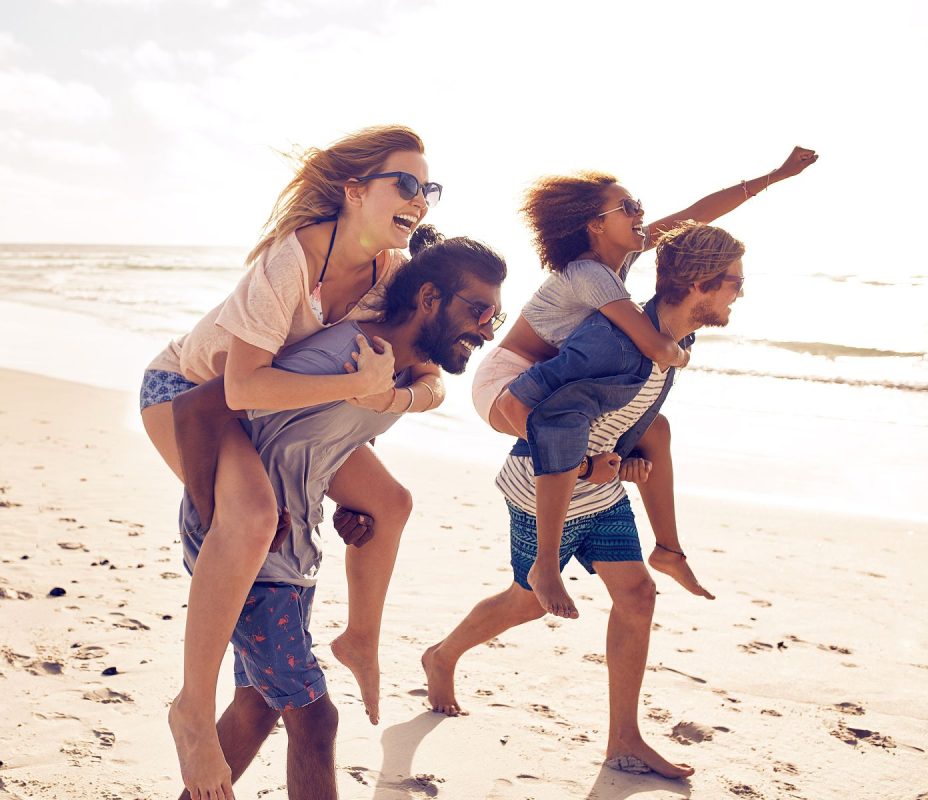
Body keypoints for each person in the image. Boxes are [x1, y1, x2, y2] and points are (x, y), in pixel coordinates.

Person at [139, 125, 447, 798]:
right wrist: (358, 389)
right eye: (406, 183)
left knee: (388, 504)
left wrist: (399, 394)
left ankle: (360, 638)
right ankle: (191, 707)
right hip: (188, 396)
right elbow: (241, 386)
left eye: (429, 189)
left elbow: (431, 375)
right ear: (354, 189)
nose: (420, 199)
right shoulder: (293, 259)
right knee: (252, 520)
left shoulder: (391, 276)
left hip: (274, 420)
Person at [176, 229, 507, 800]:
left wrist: (349, 505)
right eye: (478, 310)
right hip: (250, 549)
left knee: (257, 705)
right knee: (315, 717)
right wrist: (216, 521)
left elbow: (317, 440)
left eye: (494, 320)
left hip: (297, 548)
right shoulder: (343, 354)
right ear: (429, 299)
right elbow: (198, 409)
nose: (485, 329)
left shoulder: (400, 374)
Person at [423, 222, 747, 778]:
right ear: (701, 284)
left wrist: (622, 456)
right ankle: (443, 655)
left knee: (638, 595)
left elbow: (624, 411)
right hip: (545, 485)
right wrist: (585, 467)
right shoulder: (607, 340)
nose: (741, 292)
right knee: (527, 600)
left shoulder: (672, 339)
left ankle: (624, 739)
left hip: (600, 488)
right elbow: (535, 411)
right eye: (735, 282)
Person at [472, 147, 818, 618]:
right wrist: (679, 353)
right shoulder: (589, 274)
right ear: (596, 224)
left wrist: (773, 177)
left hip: (544, 378)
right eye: (628, 208)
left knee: (654, 431)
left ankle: (669, 551)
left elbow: (695, 215)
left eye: (639, 206)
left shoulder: (619, 261)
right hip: (506, 383)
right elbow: (655, 347)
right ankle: (546, 566)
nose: (641, 214)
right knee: (570, 447)